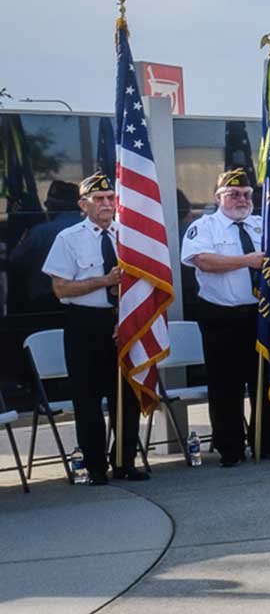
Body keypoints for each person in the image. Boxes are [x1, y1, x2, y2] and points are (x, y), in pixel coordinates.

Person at [39, 173, 144, 483]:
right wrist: (104, 281)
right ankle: (96, 466)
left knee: (126, 396)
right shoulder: (69, 238)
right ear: (83, 204)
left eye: (111, 198)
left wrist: (125, 318)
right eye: (99, 199)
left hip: (122, 320)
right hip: (85, 324)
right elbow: (61, 288)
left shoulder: (127, 235)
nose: (107, 204)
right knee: (87, 399)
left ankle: (125, 461)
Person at [182, 169, 270, 463]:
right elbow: (203, 261)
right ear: (218, 198)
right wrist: (247, 261)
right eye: (233, 194)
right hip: (221, 317)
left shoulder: (262, 225)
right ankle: (229, 445)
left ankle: (265, 440)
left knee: (265, 380)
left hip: (260, 314)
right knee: (225, 383)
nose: (242, 199)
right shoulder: (204, 227)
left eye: (246, 194)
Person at [8, 179, 82, 315]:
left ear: (53, 206)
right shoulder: (99, 229)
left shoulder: (39, 233)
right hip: (87, 304)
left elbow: (14, 261)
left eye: (47, 205)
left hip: (45, 306)